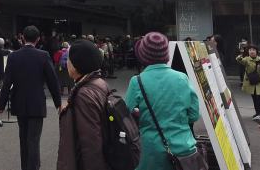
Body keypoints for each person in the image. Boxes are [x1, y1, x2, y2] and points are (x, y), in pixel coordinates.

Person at [125, 32, 200, 170]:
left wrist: (141, 115)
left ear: (143, 55)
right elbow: (194, 114)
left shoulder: (137, 81)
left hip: (151, 151)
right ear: (166, 53)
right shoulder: (182, 78)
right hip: (184, 147)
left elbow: (125, 115)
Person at [0, 25, 62, 170]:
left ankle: (25, 166)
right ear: (38, 39)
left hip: (19, 102)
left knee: (23, 139)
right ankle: (33, 167)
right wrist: (58, 103)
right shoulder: (43, 55)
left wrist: (1, 105)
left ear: (23, 38)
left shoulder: (13, 56)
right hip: (37, 103)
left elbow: (7, 82)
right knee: (34, 139)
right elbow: (52, 81)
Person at [57, 40, 110, 170]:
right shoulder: (99, 82)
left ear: (76, 65)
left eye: (69, 60)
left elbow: (90, 144)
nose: (67, 63)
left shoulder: (84, 95)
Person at [236, 45, 260, 117]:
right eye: (250, 50)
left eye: (253, 50)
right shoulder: (246, 59)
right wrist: (240, 55)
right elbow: (239, 60)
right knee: (254, 97)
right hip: (251, 81)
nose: (251, 51)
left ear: (256, 51)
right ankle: (257, 112)